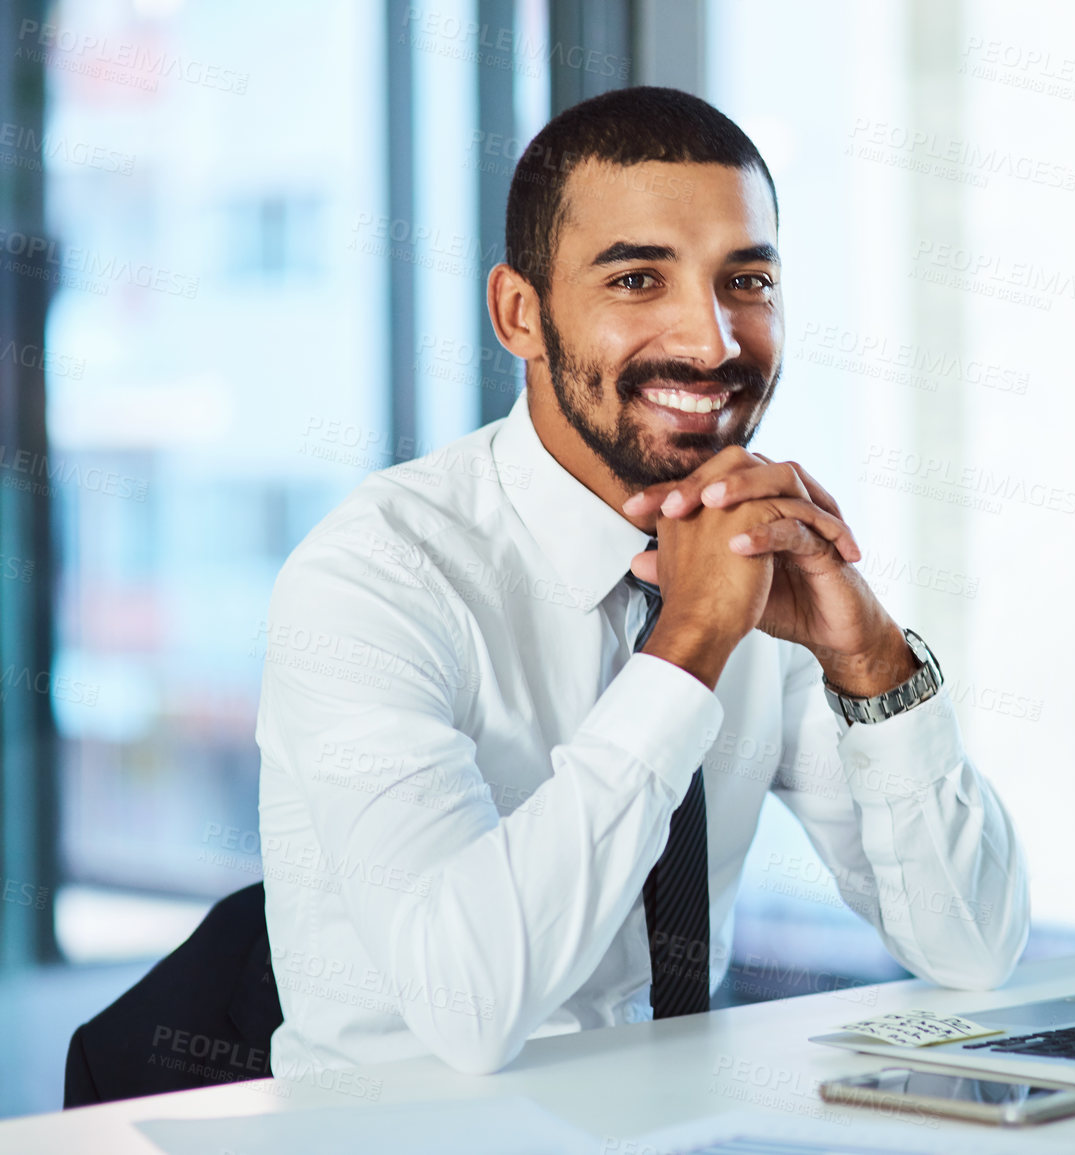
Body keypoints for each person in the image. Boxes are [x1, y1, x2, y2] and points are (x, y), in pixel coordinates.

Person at [256, 86, 1029, 1076]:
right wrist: (688, 647)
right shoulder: (372, 579)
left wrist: (871, 661)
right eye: (635, 281)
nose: (712, 342)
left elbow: (972, 947)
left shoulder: (744, 551)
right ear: (519, 313)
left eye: (746, 282)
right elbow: (465, 1009)